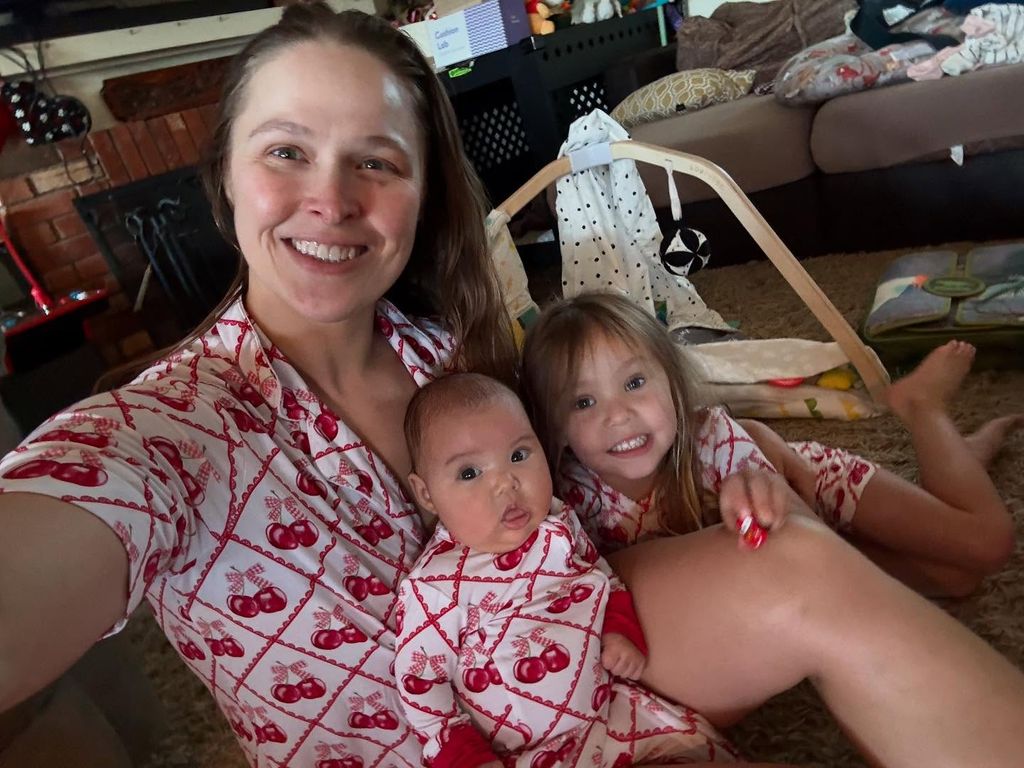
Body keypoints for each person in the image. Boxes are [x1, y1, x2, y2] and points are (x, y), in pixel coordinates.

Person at [0, 4, 1023, 768]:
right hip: (425, 742)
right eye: (286, 152)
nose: (331, 198)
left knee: (809, 561)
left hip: (574, 658)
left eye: (377, 161)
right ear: (224, 178)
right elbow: (60, 521)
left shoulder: (449, 351)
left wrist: (747, 474)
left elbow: (602, 460)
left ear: (419, 193)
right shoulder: (169, 426)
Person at [519, 291, 1018, 597]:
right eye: (582, 402)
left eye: (633, 384)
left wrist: (764, 480)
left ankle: (924, 408)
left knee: (986, 544)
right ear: (555, 429)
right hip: (791, 553)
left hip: (812, 486)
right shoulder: (569, 502)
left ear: (674, 383)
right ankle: (959, 463)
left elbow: (806, 542)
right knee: (957, 580)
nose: (617, 415)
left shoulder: (714, 438)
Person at [396, 372, 737, 766]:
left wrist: (620, 630)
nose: (506, 484)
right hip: (531, 753)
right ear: (426, 494)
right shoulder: (436, 585)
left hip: (608, 715)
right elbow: (420, 684)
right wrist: (464, 757)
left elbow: (602, 577)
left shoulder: (557, 523)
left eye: (519, 456)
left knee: (700, 755)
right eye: (470, 473)